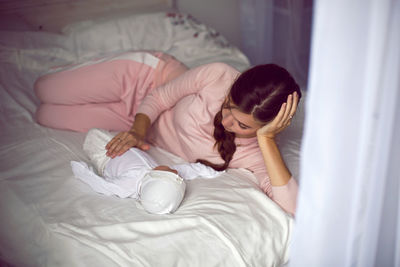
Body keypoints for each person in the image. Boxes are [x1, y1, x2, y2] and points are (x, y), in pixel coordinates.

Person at [34, 50, 301, 216]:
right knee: (44, 89)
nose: (227, 120)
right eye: (228, 106)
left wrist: (266, 140)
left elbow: (293, 207)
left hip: (132, 123)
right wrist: (138, 132)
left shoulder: (254, 152)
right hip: (144, 82)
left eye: (243, 126)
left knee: (45, 115)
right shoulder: (219, 75)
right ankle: (95, 63)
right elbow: (159, 97)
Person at [71, 128, 222, 214]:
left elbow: (104, 185)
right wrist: (211, 172)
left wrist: (83, 171)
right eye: (175, 174)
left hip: (106, 156)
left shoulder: (128, 185)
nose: (176, 172)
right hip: (132, 148)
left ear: (156, 177)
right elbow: (190, 170)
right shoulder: (164, 174)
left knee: (93, 135)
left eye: (171, 172)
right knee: (111, 135)